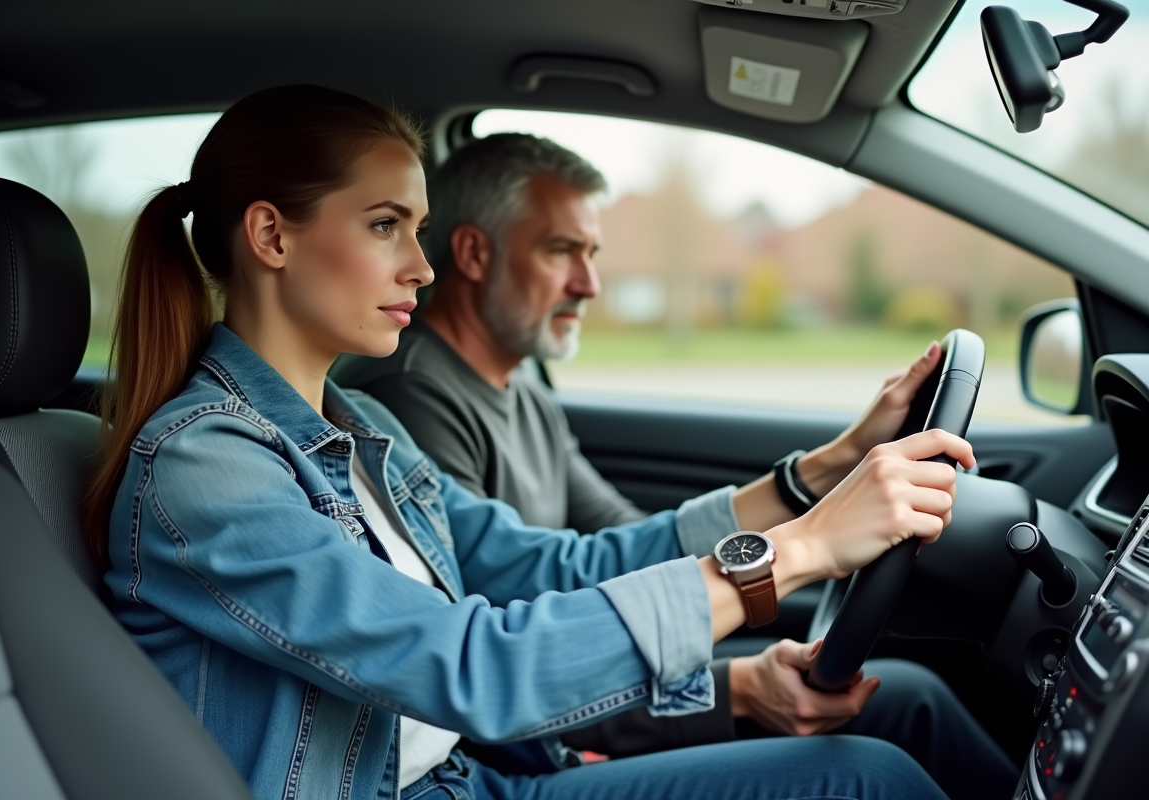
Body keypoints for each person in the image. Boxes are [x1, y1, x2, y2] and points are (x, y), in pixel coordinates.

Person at [86, 84, 977, 800]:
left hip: (486, 774)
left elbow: (559, 567)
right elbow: (467, 665)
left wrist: (810, 481)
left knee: (872, 761)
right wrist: (795, 552)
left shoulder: (365, 434)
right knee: (867, 778)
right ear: (273, 235)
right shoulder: (203, 467)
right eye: (384, 225)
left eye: (419, 230)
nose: (421, 268)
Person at [333, 133, 1018, 799]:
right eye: (562, 250)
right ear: (476, 253)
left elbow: (601, 555)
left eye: (593, 253)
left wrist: (821, 472)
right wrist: (736, 685)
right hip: (531, 737)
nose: (591, 283)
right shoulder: (407, 401)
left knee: (909, 697)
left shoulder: (518, 393)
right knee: (872, 770)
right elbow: (501, 661)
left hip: (573, 683)